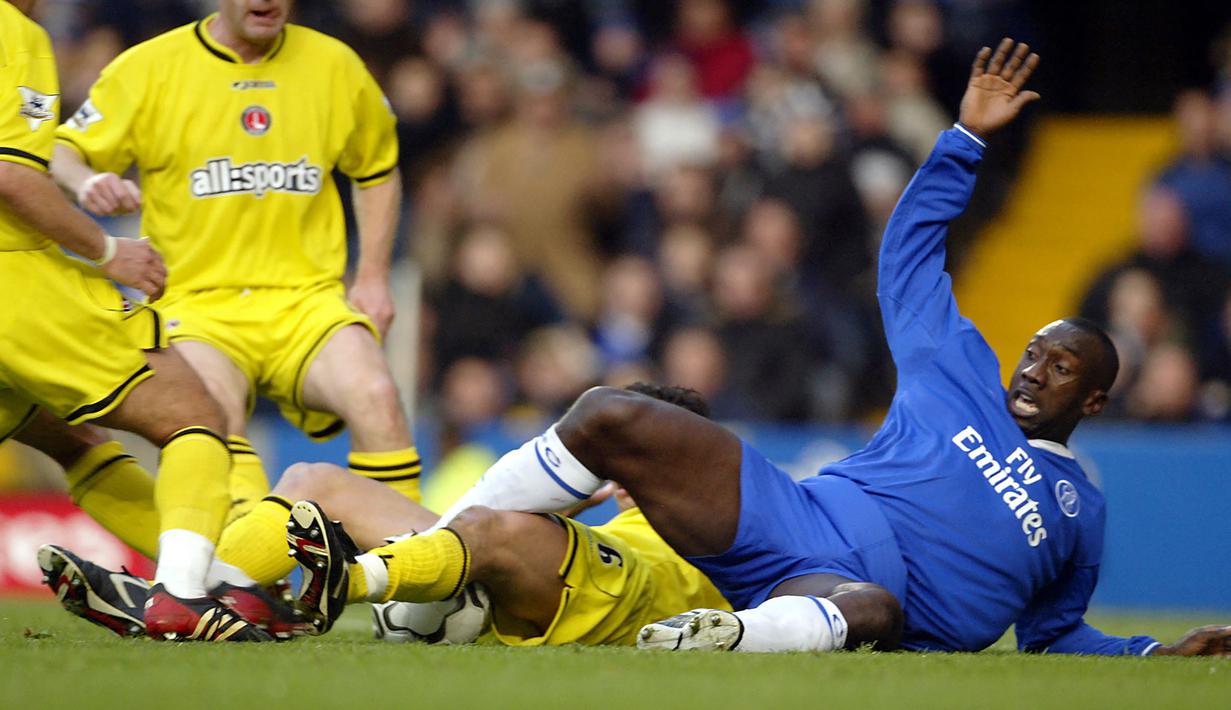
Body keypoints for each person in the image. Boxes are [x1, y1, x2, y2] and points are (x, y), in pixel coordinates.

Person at [292, 39, 1229, 656]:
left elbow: (1054, 635)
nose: (1034, 367)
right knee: (614, 413)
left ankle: (721, 640)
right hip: (793, 517)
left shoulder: (1079, 512)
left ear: (1095, 402)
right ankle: (435, 581)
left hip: (854, 594)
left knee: (873, 610)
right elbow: (905, 258)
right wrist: (960, 145)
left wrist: (1148, 652)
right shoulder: (961, 375)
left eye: (1061, 367)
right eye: (1033, 350)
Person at [50, 0, 423, 549]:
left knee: (376, 393)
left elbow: (377, 169)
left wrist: (371, 276)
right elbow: (63, 152)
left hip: (305, 300)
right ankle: (252, 570)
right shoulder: (150, 66)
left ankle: (414, 577)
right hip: (196, 303)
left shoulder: (335, 64)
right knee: (209, 414)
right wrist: (86, 185)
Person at [1, 0, 267, 641]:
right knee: (192, 413)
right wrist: (110, 250)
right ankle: (182, 596)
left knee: (71, 441)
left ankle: (228, 584)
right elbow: (11, 176)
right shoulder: (16, 31)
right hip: (15, 278)